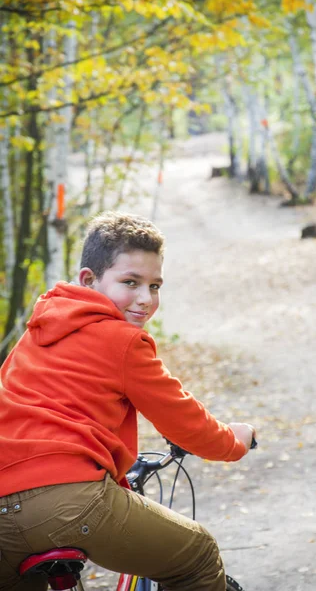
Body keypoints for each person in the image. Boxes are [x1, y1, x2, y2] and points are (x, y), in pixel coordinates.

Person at [0, 211, 256, 591]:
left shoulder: (37, 331)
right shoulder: (122, 341)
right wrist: (235, 440)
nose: (144, 299)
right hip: (71, 502)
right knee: (198, 554)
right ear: (89, 279)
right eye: (130, 282)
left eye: (155, 286)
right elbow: (186, 421)